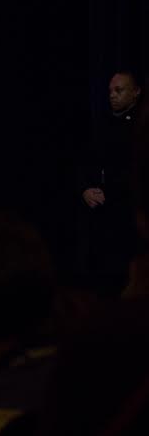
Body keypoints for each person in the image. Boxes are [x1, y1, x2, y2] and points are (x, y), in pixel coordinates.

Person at [78, 70, 143, 295]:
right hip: (102, 214)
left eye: (119, 90)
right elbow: (88, 163)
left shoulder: (141, 127)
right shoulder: (103, 124)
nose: (112, 96)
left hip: (130, 215)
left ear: (135, 92)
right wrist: (85, 189)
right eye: (110, 91)